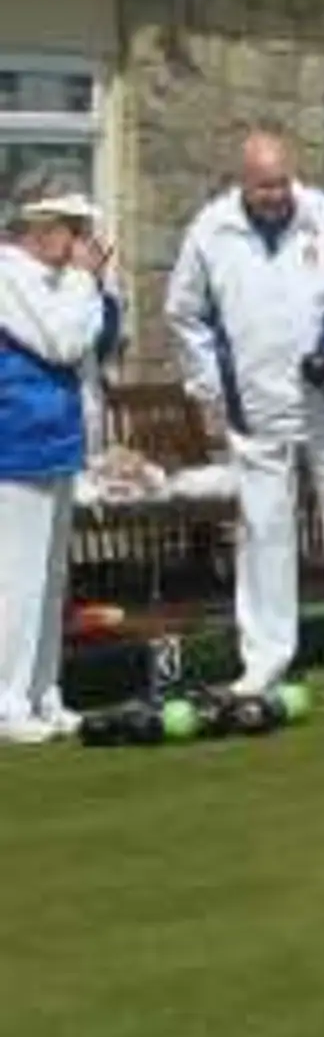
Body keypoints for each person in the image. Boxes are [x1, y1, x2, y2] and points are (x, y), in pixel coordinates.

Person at [166, 132, 324, 699]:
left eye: (283, 183)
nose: (277, 195)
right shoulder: (210, 230)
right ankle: (266, 658)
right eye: (264, 186)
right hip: (255, 407)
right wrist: (215, 386)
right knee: (264, 530)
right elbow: (184, 316)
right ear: (242, 182)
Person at [0, 177, 118, 744]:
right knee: (15, 581)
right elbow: (61, 343)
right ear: (38, 226)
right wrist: (85, 283)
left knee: (49, 581)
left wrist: (96, 289)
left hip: (59, 440)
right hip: (16, 443)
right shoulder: (7, 274)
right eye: (73, 229)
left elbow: (98, 341)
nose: (80, 241)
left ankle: (45, 695)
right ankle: (6, 703)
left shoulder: (61, 282)